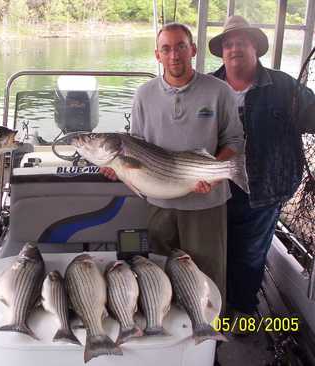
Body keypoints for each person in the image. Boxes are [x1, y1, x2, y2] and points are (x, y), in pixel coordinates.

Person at [102, 23, 244, 304]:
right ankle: (168, 335)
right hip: (160, 204)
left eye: (180, 46)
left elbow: (235, 140)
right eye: (166, 49)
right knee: (160, 274)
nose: (174, 55)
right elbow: (137, 146)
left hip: (207, 202)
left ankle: (210, 339)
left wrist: (216, 172)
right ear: (157, 55)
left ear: (192, 49)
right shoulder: (143, 95)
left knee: (207, 274)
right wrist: (117, 167)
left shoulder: (219, 91)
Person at [209, 15, 315, 319]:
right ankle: (214, 308)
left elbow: (311, 116)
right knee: (216, 249)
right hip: (216, 185)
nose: (234, 49)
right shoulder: (206, 86)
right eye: (228, 44)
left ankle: (243, 311)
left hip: (265, 187)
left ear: (256, 47)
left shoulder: (283, 85)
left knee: (251, 254)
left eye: (241, 42)